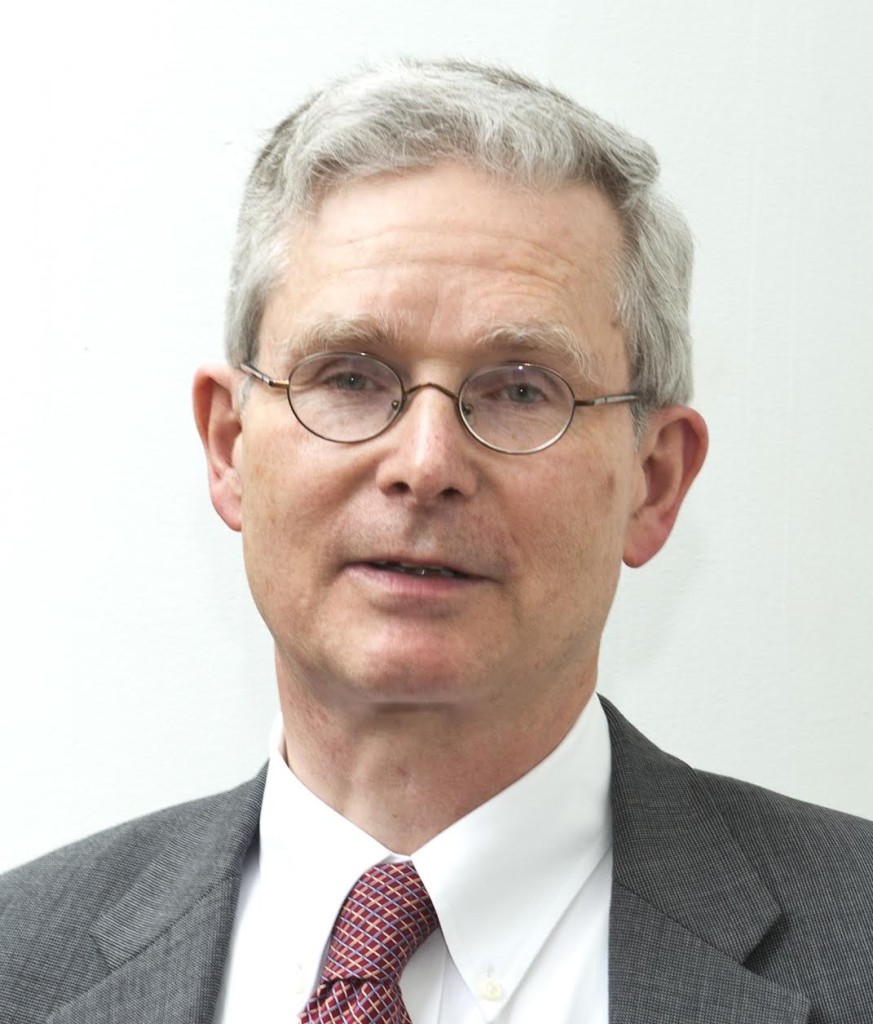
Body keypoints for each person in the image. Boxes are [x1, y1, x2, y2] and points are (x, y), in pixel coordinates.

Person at [1, 59, 870, 1024]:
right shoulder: (19, 961)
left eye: (519, 388)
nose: (424, 462)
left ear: (652, 481)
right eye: (350, 376)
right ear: (229, 448)